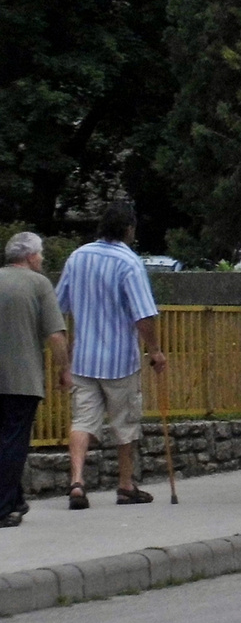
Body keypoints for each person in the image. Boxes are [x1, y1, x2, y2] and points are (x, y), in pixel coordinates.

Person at [54, 202, 168, 507]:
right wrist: (154, 350)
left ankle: (76, 481)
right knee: (125, 423)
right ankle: (125, 484)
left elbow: (58, 307)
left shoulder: (77, 257)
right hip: (120, 361)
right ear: (129, 229)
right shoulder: (128, 262)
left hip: (84, 359)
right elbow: (143, 314)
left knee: (82, 421)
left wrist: (63, 358)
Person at [0, 232, 68, 527]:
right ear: (29, 257)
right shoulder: (39, 284)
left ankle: (15, 500)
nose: (42, 259)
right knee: (13, 442)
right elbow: (55, 334)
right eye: (40, 254)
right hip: (22, 378)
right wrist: (64, 368)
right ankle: (4, 507)